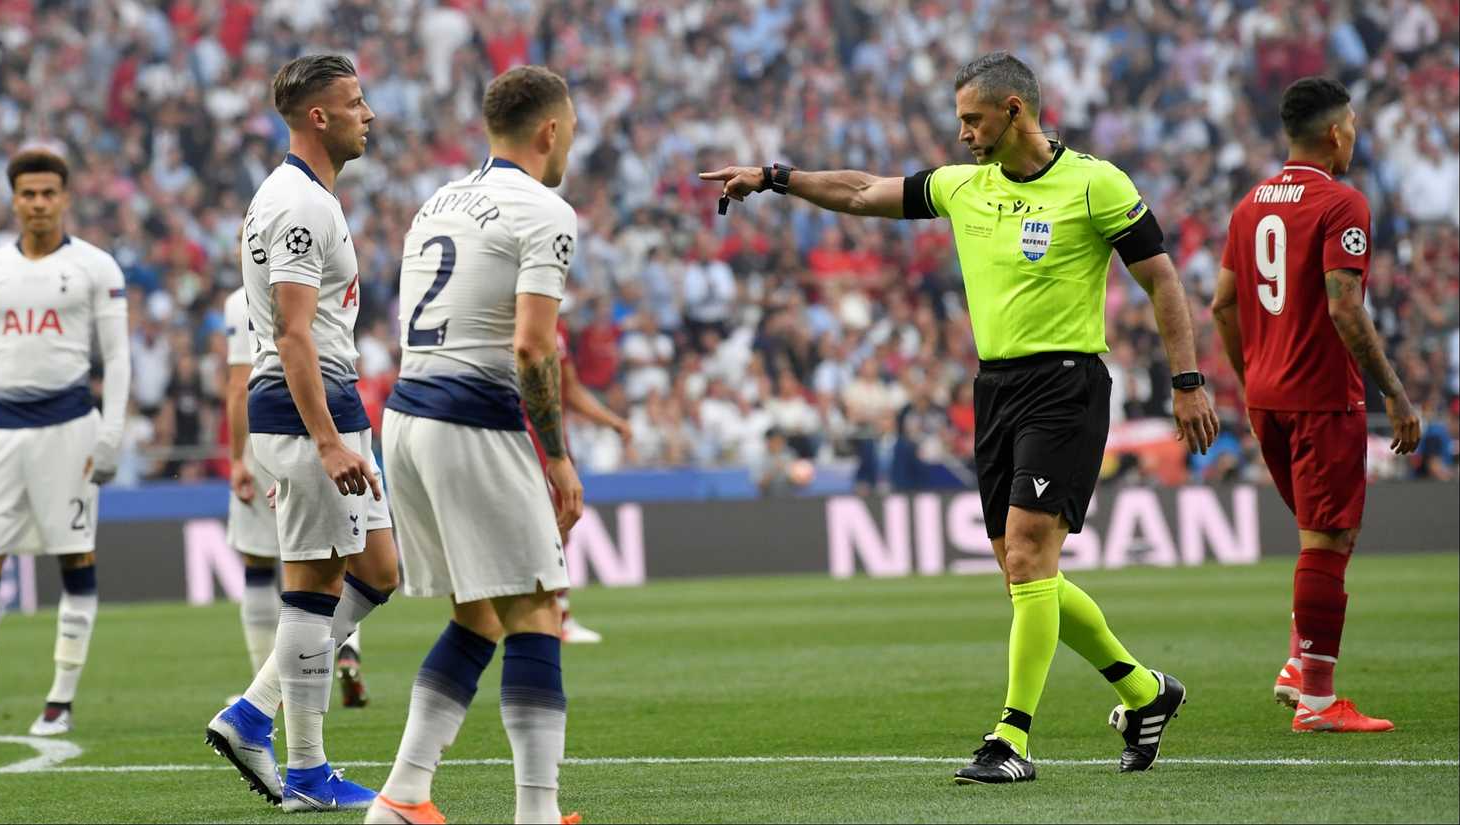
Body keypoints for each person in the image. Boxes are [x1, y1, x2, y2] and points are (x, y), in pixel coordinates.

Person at [702, 51, 1220, 784]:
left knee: (1033, 555)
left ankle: (1011, 738)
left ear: (1016, 111)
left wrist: (1188, 379)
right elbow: (857, 192)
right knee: (1019, 568)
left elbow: (1161, 276)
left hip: (1066, 383)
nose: (963, 135)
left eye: (973, 120)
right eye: (959, 122)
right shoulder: (961, 188)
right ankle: (1145, 691)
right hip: (996, 389)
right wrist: (776, 178)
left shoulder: (1096, 184)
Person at [367, 65, 584, 825]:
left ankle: (403, 794)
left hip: (407, 417)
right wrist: (555, 453)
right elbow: (532, 347)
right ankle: (536, 811)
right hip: (471, 419)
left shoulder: (437, 200)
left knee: (478, 614)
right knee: (535, 609)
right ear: (551, 130)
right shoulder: (545, 209)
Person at [203, 55, 400, 813]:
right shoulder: (296, 205)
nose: (368, 114)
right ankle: (308, 769)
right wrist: (325, 438)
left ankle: (254, 710)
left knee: (377, 571)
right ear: (318, 117)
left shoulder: (303, 196)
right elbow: (289, 333)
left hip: (329, 403)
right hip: (304, 408)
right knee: (314, 587)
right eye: (355, 103)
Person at [1211, 76, 1421, 734]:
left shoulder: (1249, 205)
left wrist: (1253, 372)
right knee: (1328, 541)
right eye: (1353, 124)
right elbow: (1343, 306)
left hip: (1266, 397)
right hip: (1322, 397)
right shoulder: (1342, 203)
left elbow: (1222, 303)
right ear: (1335, 133)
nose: (1355, 134)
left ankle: (1299, 667)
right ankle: (1320, 700)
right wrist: (1394, 390)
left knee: (1326, 536)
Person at [0, 148, 131, 740]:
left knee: (75, 556)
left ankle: (61, 701)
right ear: (14, 199)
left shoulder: (98, 268)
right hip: (0, 432)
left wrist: (112, 433)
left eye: (49, 193)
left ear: (66, 197)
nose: (39, 203)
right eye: (29, 193)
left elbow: (118, 355)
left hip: (70, 429)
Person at [223, 286, 370, 707]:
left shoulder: (240, 300)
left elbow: (237, 385)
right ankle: (348, 652)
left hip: (276, 424)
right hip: (333, 414)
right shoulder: (322, 286)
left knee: (270, 563)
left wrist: (237, 458)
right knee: (340, 556)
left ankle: (263, 685)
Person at [526, 316, 633, 645]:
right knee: (543, 526)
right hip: (522, 435)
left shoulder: (555, 326)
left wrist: (610, 420)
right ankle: (548, 617)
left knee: (562, 522)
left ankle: (557, 615)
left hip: (553, 437)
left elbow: (569, 389)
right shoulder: (518, 318)